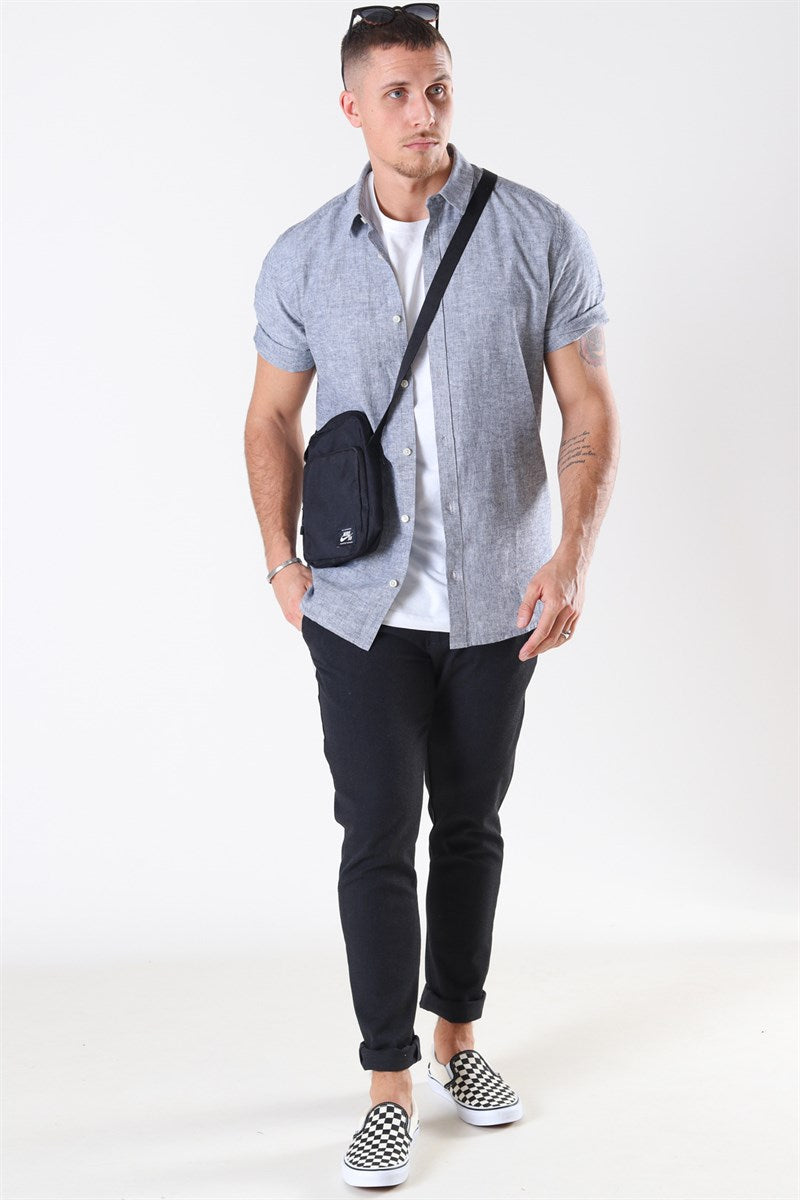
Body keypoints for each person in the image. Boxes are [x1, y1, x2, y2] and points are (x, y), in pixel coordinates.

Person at [244, 3, 620, 1187]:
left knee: (468, 824)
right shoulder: (305, 255)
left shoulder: (535, 231)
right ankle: (387, 1082)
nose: (422, 112)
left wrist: (569, 557)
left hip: (495, 599)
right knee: (374, 830)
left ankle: (457, 1038)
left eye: (438, 87)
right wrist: (281, 565)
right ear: (351, 107)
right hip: (358, 606)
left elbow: (588, 406)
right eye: (397, 93)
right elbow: (268, 416)